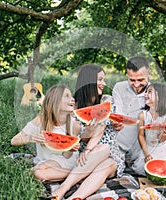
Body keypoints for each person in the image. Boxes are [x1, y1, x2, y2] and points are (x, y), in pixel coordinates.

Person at [52, 64, 124, 200]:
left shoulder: (106, 100)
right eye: (100, 79)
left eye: (104, 79)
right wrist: (87, 135)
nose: (104, 83)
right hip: (84, 160)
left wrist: (88, 149)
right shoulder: (73, 107)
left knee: (105, 155)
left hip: (109, 154)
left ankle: (70, 194)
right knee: (101, 164)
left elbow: (101, 128)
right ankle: (65, 191)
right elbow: (75, 139)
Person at [11, 85, 81, 182]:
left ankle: (79, 174)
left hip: (66, 161)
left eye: (71, 96)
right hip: (43, 161)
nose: (72, 99)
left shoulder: (75, 125)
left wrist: (71, 149)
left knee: (38, 171)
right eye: (67, 96)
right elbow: (14, 141)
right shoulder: (41, 120)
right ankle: (76, 174)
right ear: (55, 100)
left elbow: (66, 156)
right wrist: (29, 138)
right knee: (39, 173)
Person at [112, 56, 166, 169]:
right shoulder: (119, 87)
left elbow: (165, 123)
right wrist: (116, 122)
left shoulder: (155, 94)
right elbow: (118, 114)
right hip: (117, 146)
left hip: (141, 151)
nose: (136, 85)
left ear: (149, 74)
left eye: (141, 80)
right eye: (132, 80)